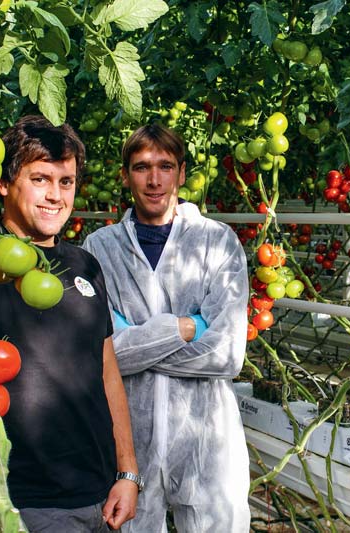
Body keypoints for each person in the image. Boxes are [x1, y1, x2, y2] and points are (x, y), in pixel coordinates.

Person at [0, 115, 139, 531]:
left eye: (65, 182)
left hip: (99, 494)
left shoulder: (86, 264)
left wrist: (127, 472)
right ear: (4, 184)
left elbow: (107, 371)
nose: (55, 195)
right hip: (21, 503)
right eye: (41, 179)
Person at [82, 123, 251, 532]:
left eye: (165, 166)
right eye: (141, 167)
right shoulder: (98, 250)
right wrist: (188, 326)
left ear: (182, 173)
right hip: (130, 444)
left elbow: (227, 354)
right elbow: (102, 357)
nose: (154, 179)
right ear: (125, 175)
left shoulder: (217, 242)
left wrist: (133, 337)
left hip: (206, 438)